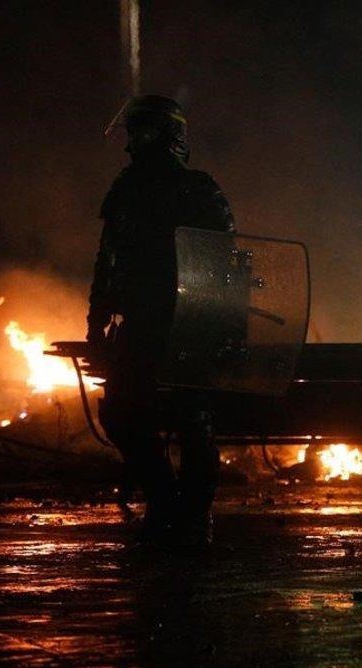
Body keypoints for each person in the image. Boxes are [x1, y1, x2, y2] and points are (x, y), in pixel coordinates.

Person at [87, 94, 236, 545]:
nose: (134, 142)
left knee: (193, 422)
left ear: (167, 135)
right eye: (133, 132)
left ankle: (192, 515)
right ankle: (166, 502)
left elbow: (225, 261)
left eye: (143, 131)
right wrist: (97, 320)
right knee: (119, 413)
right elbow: (107, 260)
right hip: (141, 323)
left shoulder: (198, 189)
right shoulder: (126, 190)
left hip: (190, 323)